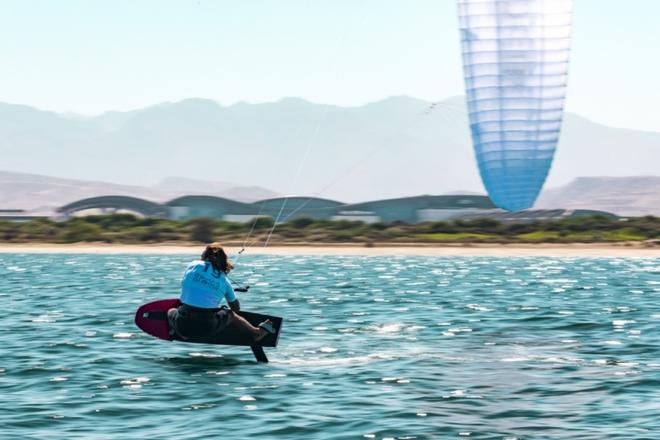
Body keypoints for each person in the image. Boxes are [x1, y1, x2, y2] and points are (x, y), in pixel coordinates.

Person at [167, 242, 274, 341]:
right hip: (207, 328)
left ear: (205, 257)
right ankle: (256, 333)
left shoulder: (193, 265)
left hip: (183, 325)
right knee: (230, 314)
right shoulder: (225, 281)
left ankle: (181, 334)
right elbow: (236, 308)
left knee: (171, 311)